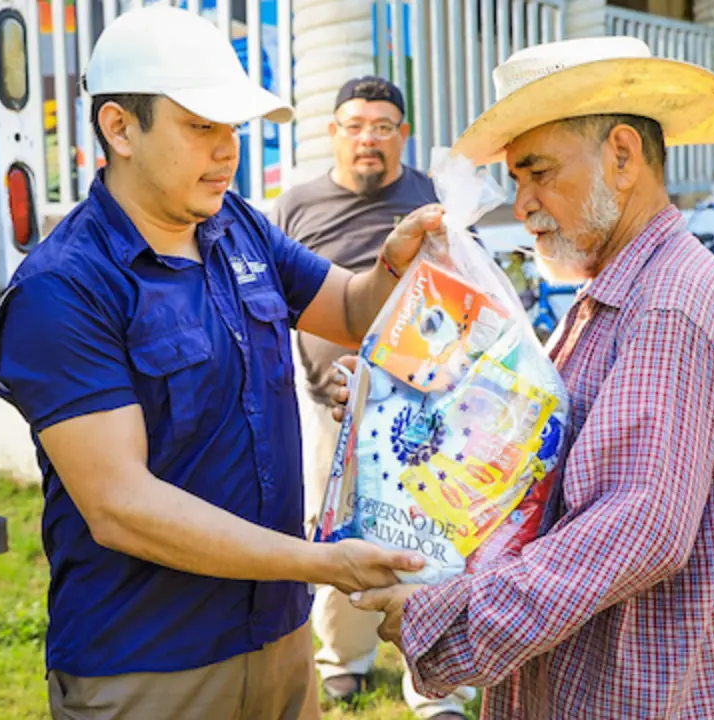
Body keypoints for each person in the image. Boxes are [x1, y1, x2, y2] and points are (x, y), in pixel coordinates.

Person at [0, 7, 443, 719]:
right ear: (119, 128)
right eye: (201, 127)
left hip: (277, 638)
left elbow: (350, 309)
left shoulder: (238, 227)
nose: (227, 151)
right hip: (149, 665)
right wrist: (320, 563)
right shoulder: (64, 288)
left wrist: (395, 263)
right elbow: (121, 509)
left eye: (232, 129)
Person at [344, 36, 714, 717]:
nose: (522, 205)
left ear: (621, 156)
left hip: (653, 692)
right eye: (516, 179)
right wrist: (399, 412)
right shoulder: (609, 297)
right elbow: (540, 466)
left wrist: (454, 617)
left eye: (539, 173)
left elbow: (636, 525)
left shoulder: (669, 304)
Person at [268, 76, 475, 719]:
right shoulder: (294, 205)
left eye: (383, 127)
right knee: (333, 527)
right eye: (354, 125)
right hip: (329, 404)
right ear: (332, 133)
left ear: (402, 136)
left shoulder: (434, 200)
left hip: (426, 407)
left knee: (433, 529)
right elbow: (278, 304)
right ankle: (345, 661)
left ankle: (437, 682)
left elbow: (465, 296)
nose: (368, 139)